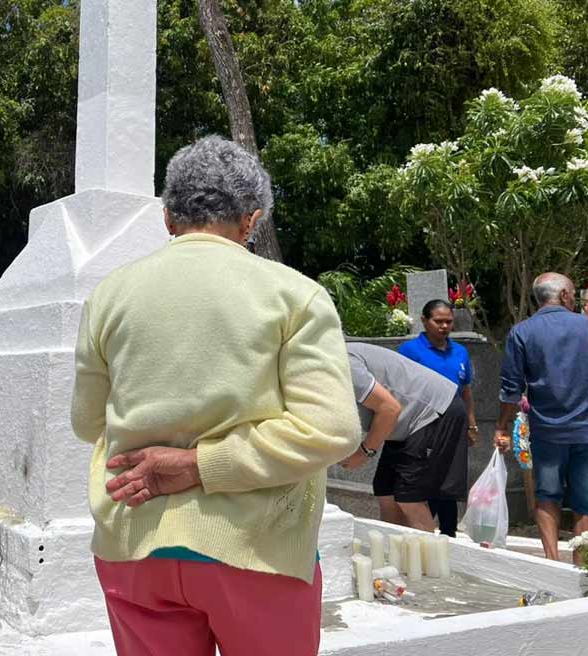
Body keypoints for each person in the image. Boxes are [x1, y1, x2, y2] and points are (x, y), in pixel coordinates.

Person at [70, 136, 361, 656]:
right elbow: (331, 430)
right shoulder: (295, 295)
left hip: (135, 545)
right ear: (252, 221)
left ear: (167, 218)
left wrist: (173, 454)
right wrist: (202, 465)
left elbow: (87, 421)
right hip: (254, 547)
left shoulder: (108, 296)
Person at [496, 273, 588, 563]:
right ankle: (582, 570)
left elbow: (511, 389)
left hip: (547, 433)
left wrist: (502, 426)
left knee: (547, 496)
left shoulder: (522, 332)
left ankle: (553, 563)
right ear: (565, 295)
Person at [342, 343, 468, 533]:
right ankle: (394, 558)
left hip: (432, 411)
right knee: (386, 491)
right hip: (403, 423)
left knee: (409, 496)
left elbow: (389, 408)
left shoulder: (344, 364)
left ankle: (430, 561)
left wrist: (364, 452)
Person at [397, 299, 478, 536]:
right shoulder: (410, 351)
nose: (444, 326)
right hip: (424, 425)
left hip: (455, 425)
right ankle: (422, 530)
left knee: (451, 480)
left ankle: (449, 532)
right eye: (438, 321)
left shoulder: (460, 352)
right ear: (424, 321)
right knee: (426, 477)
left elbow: (466, 390)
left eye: (448, 322)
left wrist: (471, 424)